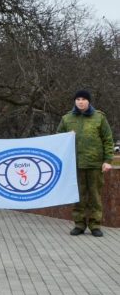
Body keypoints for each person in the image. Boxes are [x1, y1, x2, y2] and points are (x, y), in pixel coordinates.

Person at [57, 90, 114, 237]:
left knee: (95, 196)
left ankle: (95, 225)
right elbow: (59, 140)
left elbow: (108, 140)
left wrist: (107, 161)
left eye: (83, 99)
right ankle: (79, 224)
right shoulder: (67, 119)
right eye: (78, 99)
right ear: (75, 101)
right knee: (79, 196)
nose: (80, 102)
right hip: (75, 164)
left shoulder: (99, 118)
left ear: (89, 101)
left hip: (95, 164)